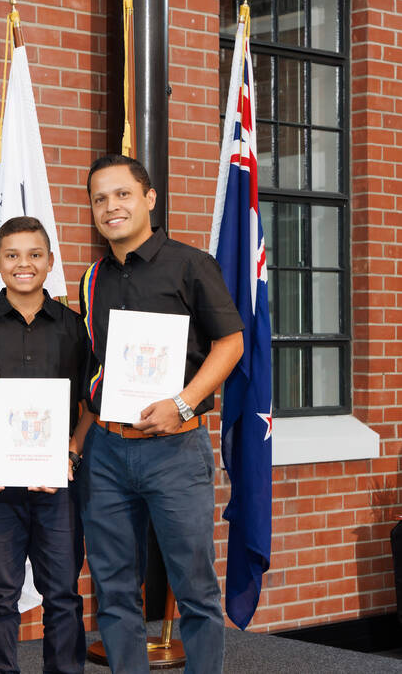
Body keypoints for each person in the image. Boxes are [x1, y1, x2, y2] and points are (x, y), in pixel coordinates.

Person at [75, 154, 244, 673]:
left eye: (122, 194)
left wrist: (182, 403)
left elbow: (231, 344)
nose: (111, 206)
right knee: (113, 589)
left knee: (195, 587)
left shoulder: (192, 265)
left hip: (175, 450)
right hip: (107, 452)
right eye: (100, 199)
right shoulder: (91, 279)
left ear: (149, 198)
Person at [0, 216, 91, 674]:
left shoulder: (74, 327)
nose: (23, 264)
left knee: (62, 591)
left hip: (57, 480)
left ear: (50, 262)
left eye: (34, 255)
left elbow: (92, 400)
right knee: (1, 592)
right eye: (12, 255)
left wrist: (71, 451)